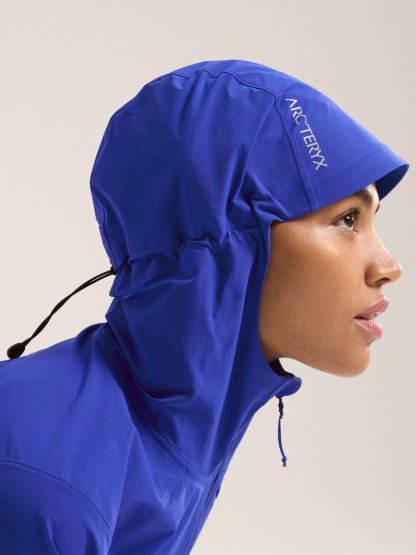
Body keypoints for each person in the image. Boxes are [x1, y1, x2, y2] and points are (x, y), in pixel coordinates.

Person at [0, 59, 409, 553]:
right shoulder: (49, 487)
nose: (389, 267)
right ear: (228, 240)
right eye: (347, 219)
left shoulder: (165, 433)